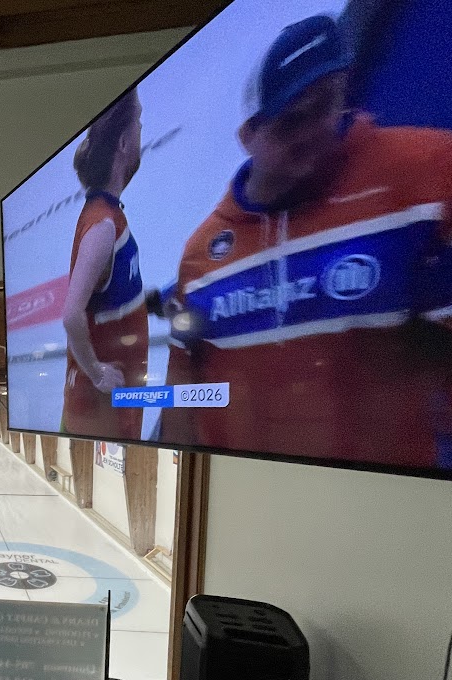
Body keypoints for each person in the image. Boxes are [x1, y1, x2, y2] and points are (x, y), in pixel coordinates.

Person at [163, 15, 452, 468]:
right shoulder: (201, 255)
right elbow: (186, 384)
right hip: (242, 498)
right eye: (289, 121)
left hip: (388, 500)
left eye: (323, 107)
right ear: (248, 136)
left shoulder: (423, 170)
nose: (311, 134)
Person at [59, 86, 148, 443]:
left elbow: (106, 299)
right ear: (124, 142)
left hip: (103, 412)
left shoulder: (102, 216)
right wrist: (96, 373)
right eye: (139, 122)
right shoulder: (103, 224)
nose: (142, 130)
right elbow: (71, 314)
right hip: (102, 416)